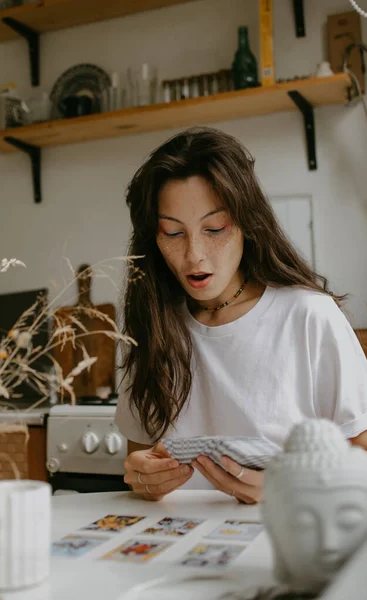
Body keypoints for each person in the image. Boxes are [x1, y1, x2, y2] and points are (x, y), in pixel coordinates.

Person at [114, 127, 367, 504]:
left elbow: (361, 456)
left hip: (285, 545)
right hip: (177, 548)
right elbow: (141, 458)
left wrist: (290, 486)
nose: (194, 254)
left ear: (248, 223)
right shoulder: (154, 325)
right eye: (172, 233)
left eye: (214, 229)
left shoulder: (309, 316)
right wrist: (141, 476)